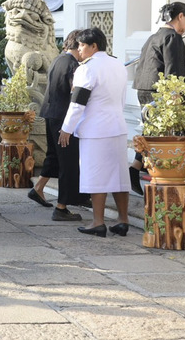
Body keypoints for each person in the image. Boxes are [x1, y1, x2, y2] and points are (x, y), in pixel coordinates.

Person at [59, 28, 131, 237]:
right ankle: (123, 220)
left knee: (96, 176)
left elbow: (77, 103)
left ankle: (98, 222)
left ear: (94, 46)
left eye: (82, 45)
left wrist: (66, 128)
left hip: (95, 129)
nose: (79, 49)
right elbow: (122, 99)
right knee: (119, 176)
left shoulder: (87, 69)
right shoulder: (118, 65)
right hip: (117, 126)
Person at [130, 1, 185, 194]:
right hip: (162, 91)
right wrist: (175, 93)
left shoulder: (153, 37)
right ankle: (178, 169)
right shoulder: (172, 37)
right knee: (180, 131)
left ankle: (137, 168)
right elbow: (174, 68)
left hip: (144, 88)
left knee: (153, 131)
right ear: (180, 16)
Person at [30, 30, 86, 221]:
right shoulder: (73, 64)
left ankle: (38, 188)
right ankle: (61, 207)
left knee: (54, 155)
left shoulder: (58, 59)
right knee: (68, 161)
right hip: (63, 117)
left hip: (50, 113)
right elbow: (74, 92)